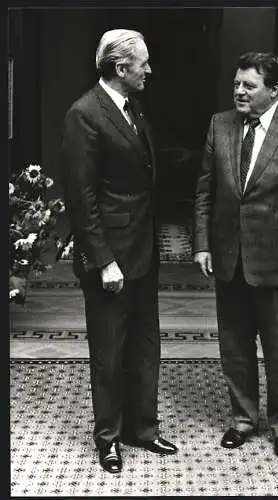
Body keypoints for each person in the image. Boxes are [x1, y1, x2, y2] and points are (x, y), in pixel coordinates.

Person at [193, 52, 278, 458]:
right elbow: (204, 190)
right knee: (234, 345)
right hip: (229, 259)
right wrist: (202, 244)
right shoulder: (220, 125)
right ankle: (243, 419)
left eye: (249, 85)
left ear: (274, 90)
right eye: (236, 83)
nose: (239, 91)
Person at [60, 29, 178, 474]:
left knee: (146, 345)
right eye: (143, 63)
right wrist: (104, 260)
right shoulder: (83, 115)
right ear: (119, 67)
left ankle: (142, 429)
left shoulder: (133, 107)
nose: (149, 70)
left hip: (143, 251)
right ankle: (108, 437)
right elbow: (82, 196)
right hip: (110, 258)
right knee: (110, 352)